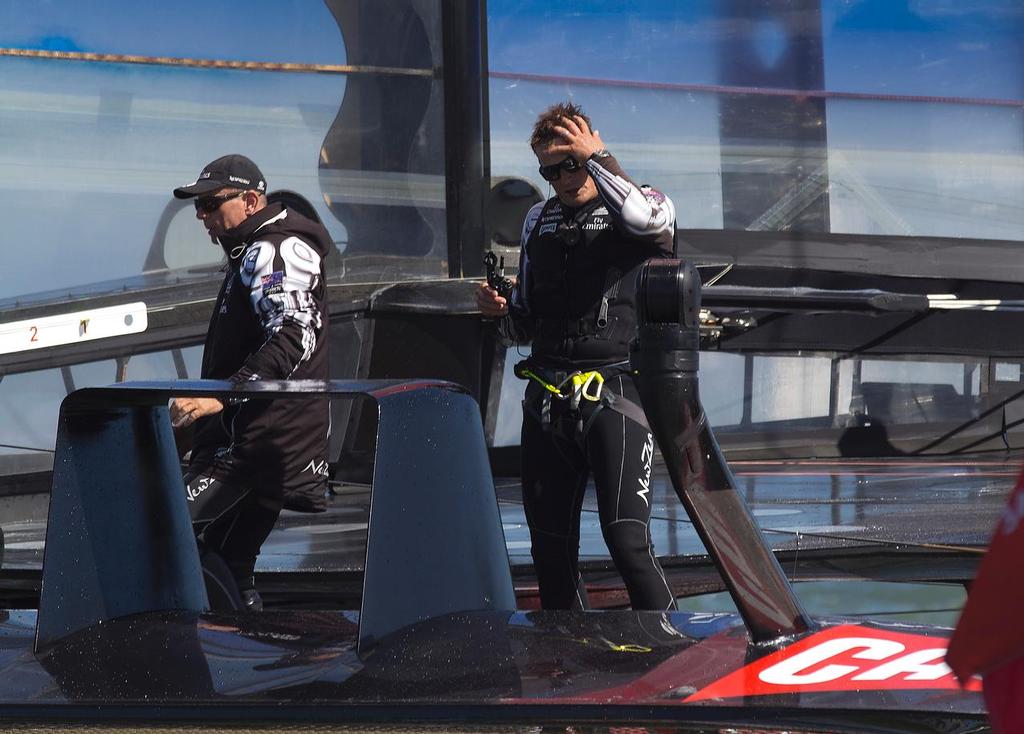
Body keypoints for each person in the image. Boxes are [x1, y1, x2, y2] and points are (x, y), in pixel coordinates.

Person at [476, 102, 677, 611]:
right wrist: (497, 310)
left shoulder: (643, 200)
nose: (564, 179)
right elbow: (521, 322)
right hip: (548, 401)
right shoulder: (536, 220)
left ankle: (675, 657)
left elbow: (646, 220)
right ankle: (563, 668)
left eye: (572, 164)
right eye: (551, 170)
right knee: (549, 552)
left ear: (592, 150)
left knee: (627, 543)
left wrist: (599, 158)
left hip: (616, 397)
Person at [169, 154, 331, 611]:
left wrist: (223, 397)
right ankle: (248, 659)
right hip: (262, 442)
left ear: (252, 199)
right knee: (227, 561)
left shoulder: (272, 248)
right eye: (197, 207)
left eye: (211, 203)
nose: (202, 216)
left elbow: (296, 331)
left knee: (164, 527)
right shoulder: (249, 249)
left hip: (257, 446)